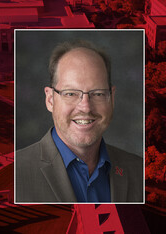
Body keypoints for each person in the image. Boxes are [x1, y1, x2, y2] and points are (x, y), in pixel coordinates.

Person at [16, 40, 143, 203]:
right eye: (70, 94)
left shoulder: (139, 171)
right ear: (50, 100)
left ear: (112, 99)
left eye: (97, 94)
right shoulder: (15, 173)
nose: (85, 107)